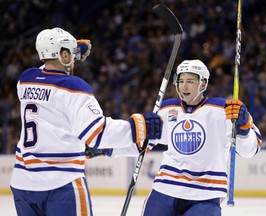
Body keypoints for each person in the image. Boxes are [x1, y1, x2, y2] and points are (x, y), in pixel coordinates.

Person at [10, 27, 162, 216]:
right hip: (60, 184)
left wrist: (67, 51)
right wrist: (139, 128)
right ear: (64, 55)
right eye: (71, 54)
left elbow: (47, 74)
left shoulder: (25, 80)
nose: (75, 59)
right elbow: (98, 133)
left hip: (22, 183)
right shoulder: (74, 87)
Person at [141, 59, 262, 216]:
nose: (184, 86)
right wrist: (121, 142)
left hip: (206, 194)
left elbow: (250, 150)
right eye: (181, 81)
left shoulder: (224, 110)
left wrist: (244, 129)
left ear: (203, 84)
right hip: (165, 190)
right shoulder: (167, 108)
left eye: (190, 81)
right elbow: (141, 143)